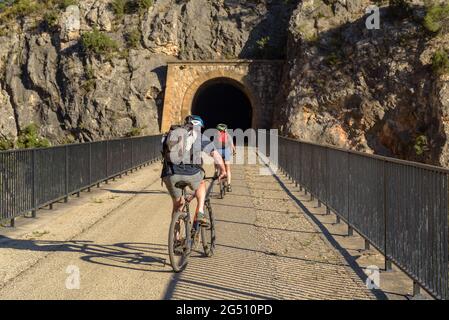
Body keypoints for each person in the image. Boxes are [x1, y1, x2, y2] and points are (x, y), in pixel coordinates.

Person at [161, 115, 226, 226]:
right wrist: (223, 170)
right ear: (199, 126)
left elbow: (163, 152)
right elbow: (215, 154)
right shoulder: (199, 136)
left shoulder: (172, 134)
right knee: (201, 183)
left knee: (177, 205)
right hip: (191, 172)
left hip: (170, 173)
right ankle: (200, 212)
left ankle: (175, 238)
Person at [214, 123, 236, 192]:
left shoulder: (216, 135)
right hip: (226, 151)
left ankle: (217, 171)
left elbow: (213, 144)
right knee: (228, 168)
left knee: (216, 162)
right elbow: (232, 145)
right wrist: (234, 151)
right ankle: (229, 185)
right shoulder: (228, 135)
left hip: (219, 151)